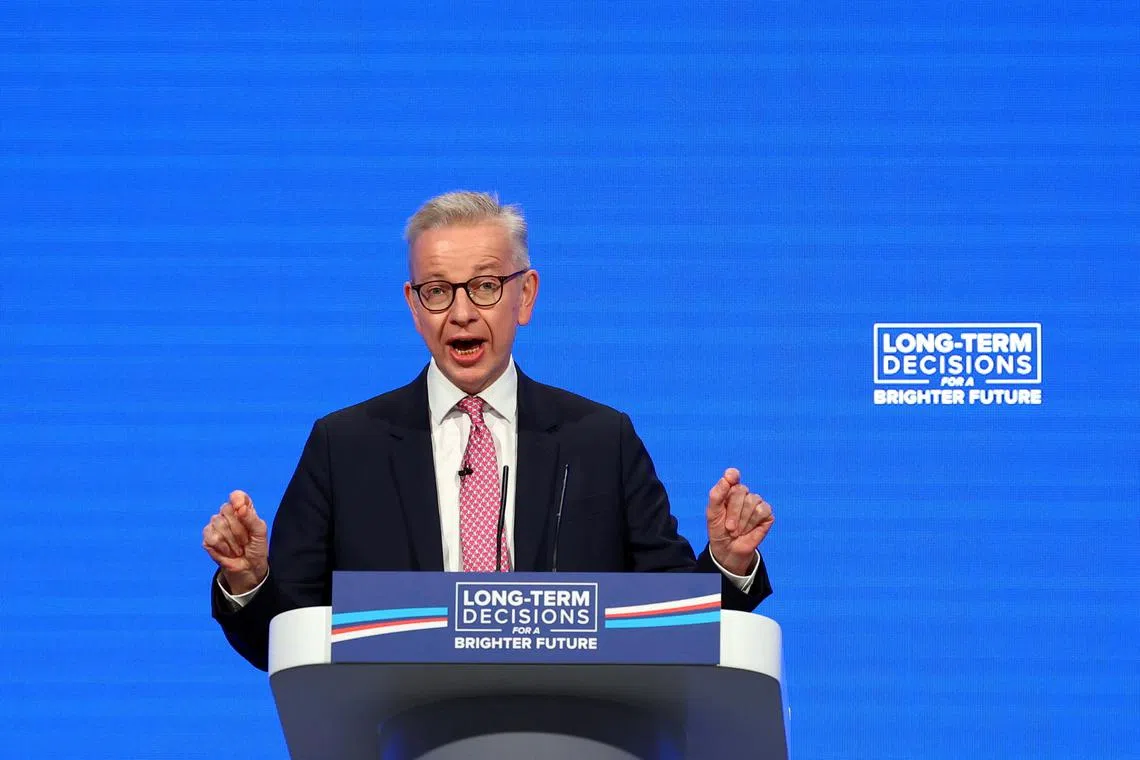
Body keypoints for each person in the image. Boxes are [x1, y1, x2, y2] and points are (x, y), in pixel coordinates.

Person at [203, 191, 775, 671]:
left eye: (484, 286)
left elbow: (672, 619)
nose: (461, 312)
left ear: (525, 295)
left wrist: (727, 563)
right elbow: (286, 641)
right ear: (413, 304)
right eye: (437, 290)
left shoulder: (600, 440)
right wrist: (251, 580)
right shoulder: (344, 446)